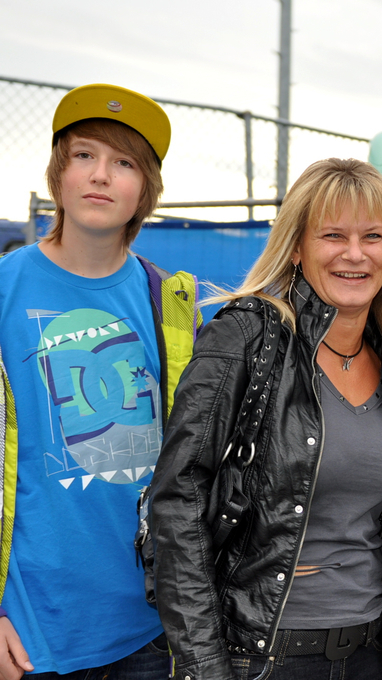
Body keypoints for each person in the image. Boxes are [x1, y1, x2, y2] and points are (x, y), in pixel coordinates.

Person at [148, 158, 382, 679]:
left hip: (369, 652)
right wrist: (204, 664)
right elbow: (178, 497)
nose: (355, 254)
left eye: (372, 236)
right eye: (333, 235)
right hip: (264, 655)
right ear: (296, 246)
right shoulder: (247, 338)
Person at [0, 83, 202, 678]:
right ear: (58, 174)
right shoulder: (5, 289)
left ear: (145, 191)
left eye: (124, 163)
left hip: (149, 627)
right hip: (32, 629)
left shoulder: (171, 303)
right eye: (84, 155)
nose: (101, 175)